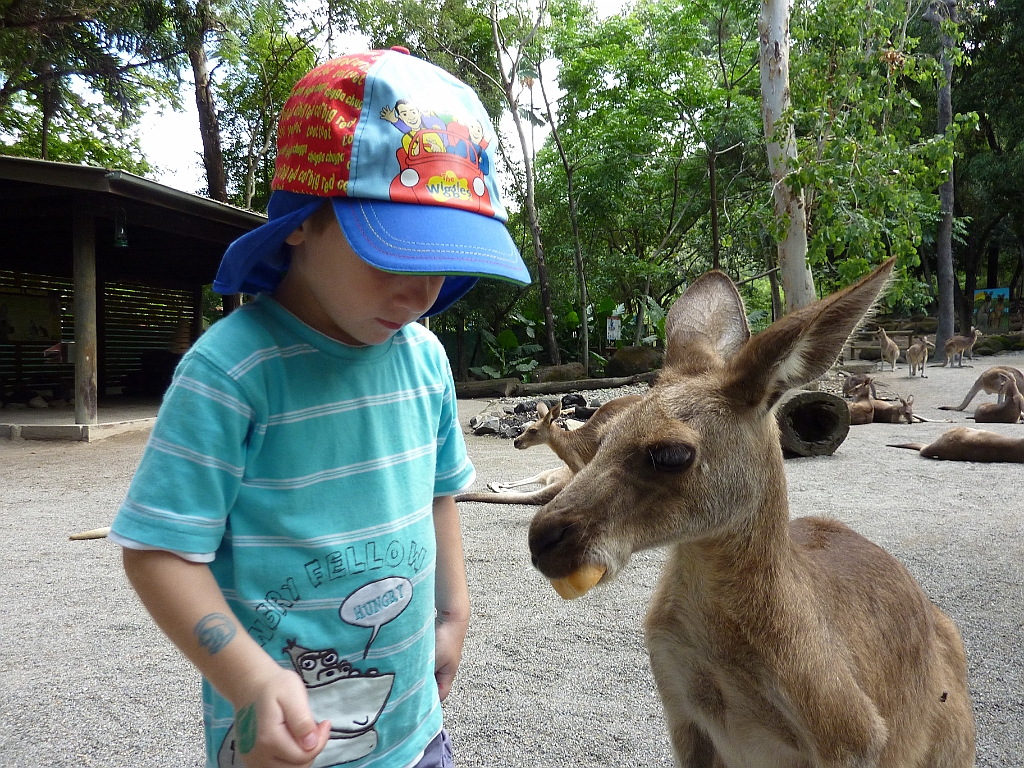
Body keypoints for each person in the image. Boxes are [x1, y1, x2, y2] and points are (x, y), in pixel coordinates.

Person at [110, 47, 530, 768]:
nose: (422, 293)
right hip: (286, 747)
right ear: (304, 220)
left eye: (443, 261)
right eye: (395, 254)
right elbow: (158, 552)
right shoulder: (232, 372)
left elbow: (439, 497)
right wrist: (248, 678)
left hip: (415, 732)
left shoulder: (424, 359)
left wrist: (454, 611)